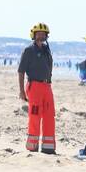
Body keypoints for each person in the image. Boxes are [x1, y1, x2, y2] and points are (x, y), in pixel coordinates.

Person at [18, 22, 56, 154]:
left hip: (47, 86)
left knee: (49, 115)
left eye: (43, 34)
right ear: (33, 35)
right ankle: (32, 147)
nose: (41, 36)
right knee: (35, 116)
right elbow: (21, 71)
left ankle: (48, 148)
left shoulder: (47, 50)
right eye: (38, 34)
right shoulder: (28, 50)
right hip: (34, 87)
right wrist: (22, 91)